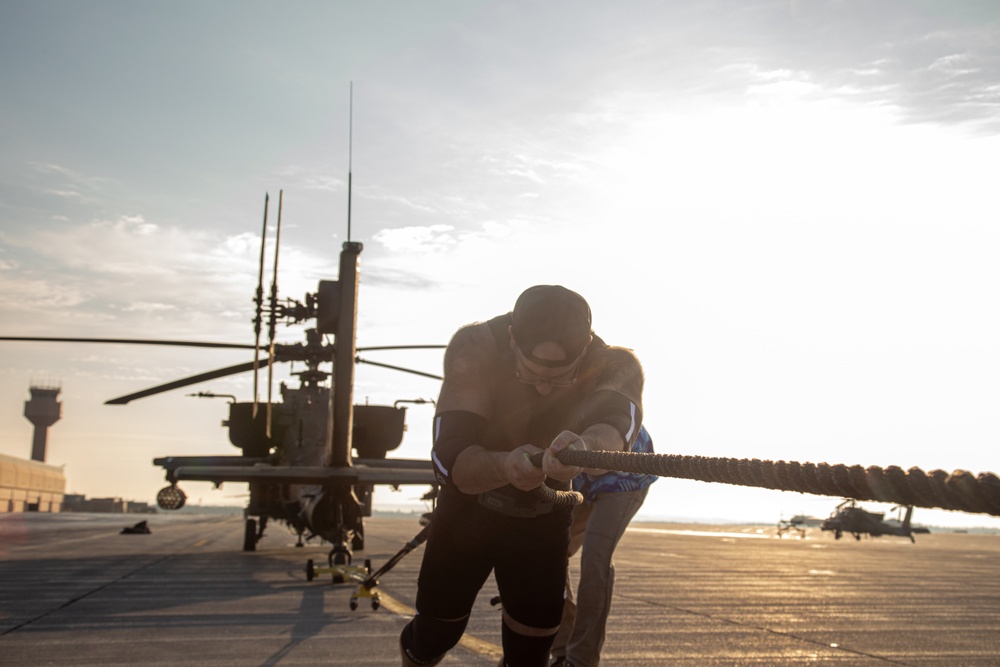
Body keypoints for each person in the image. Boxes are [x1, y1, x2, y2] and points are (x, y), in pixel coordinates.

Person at [399, 285, 645, 667]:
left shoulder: (614, 364)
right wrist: (503, 467)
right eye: (529, 374)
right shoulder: (476, 347)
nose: (544, 387)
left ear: (585, 350)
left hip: (542, 519)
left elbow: (615, 433)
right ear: (512, 339)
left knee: (531, 653)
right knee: (434, 635)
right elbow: (449, 459)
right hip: (466, 514)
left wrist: (582, 447)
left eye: (560, 379)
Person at [548, 425, 657, 667]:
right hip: (580, 478)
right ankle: (561, 649)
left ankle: (581, 659)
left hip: (626, 477)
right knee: (550, 554)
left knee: (595, 560)